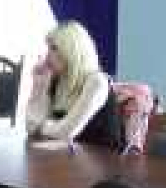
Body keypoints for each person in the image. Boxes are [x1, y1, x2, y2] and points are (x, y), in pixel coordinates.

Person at [25, 20, 122, 148]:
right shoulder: (56, 80)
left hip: (103, 157)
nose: (47, 56)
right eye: (48, 48)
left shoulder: (97, 82)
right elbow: (31, 127)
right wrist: (38, 85)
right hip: (68, 154)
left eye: (54, 48)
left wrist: (42, 126)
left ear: (73, 51)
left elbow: (66, 132)